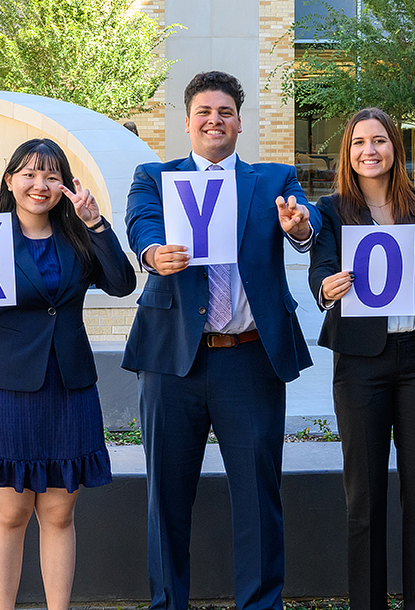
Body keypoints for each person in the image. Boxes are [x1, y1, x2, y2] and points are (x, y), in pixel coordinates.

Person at [123, 70, 318, 610]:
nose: (215, 120)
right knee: (166, 496)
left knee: (259, 498)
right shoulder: (154, 177)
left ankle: (261, 605)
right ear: (187, 122)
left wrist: (299, 227)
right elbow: (140, 222)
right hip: (171, 361)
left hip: (249, 358)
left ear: (239, 121)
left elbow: (307, 227)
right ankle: (168, 604)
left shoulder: (274, 180)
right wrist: (152, 252)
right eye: (205, 112)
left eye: (226, 112)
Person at [0, 138, 136, 610]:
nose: (40, 185)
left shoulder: (79, 233)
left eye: (51, 176)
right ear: (10, 180)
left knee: (59, 513)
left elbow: (122, 283)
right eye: (30, 174)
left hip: (69, 384)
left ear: (64, 184)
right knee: (11, 511)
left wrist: (96, 223)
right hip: (8, 386)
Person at [310, 107, 415, 610]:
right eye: (358, 143)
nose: (369, 151)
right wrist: (326, 287)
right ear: (347, 154)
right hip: (360, 363)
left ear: (395, 148)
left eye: (379, 141)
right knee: (364, 501)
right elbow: (322, 269)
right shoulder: (331, 210)